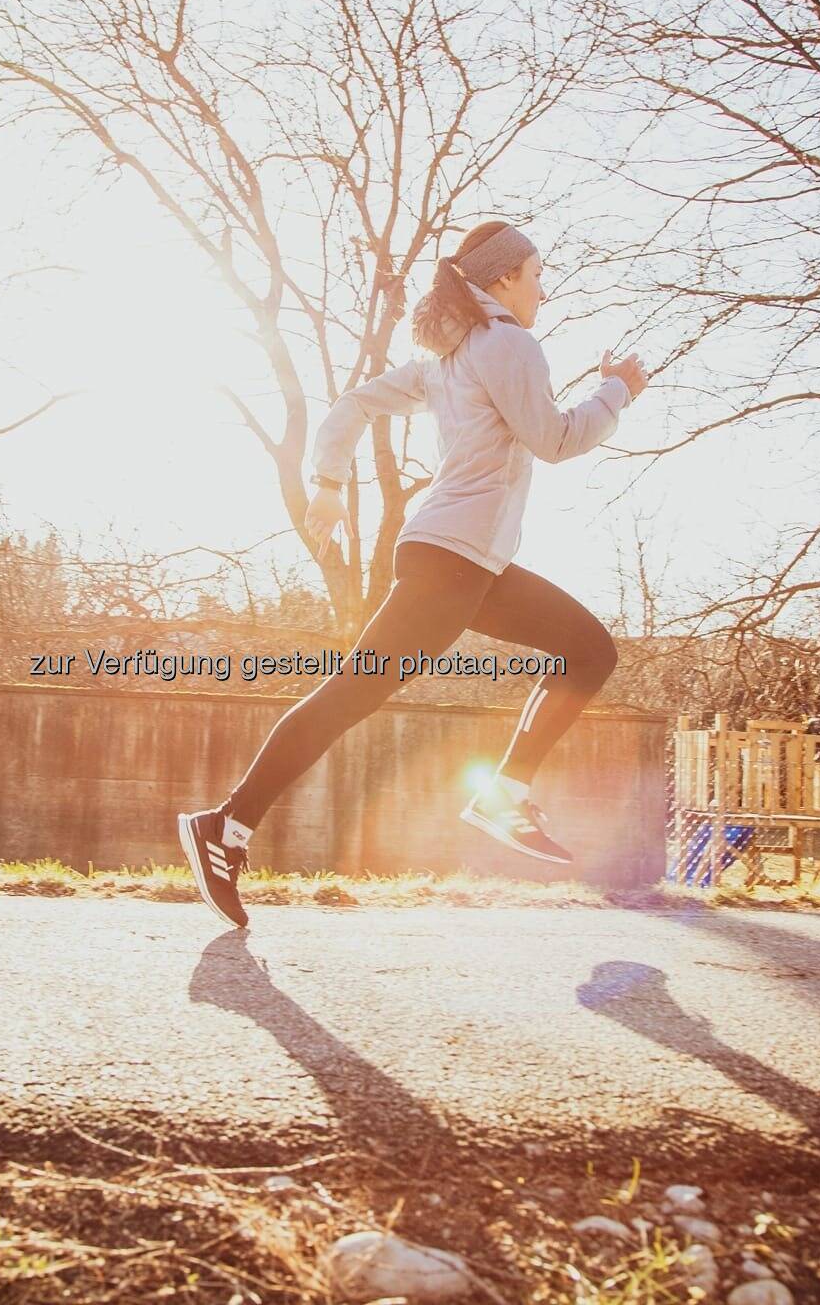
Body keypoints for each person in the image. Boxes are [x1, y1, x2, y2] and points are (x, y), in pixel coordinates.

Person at [178, 219, 648, 928]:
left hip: (466, 562)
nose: (543, 291)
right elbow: (554, 438)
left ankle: (504, 792)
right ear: (503, 281)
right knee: (350, 697)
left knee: (588, 650)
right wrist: (617, 391)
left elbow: (358, 401)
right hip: (453, 562)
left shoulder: (451, 358)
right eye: (537, 275)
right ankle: (226, 826)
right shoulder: (508, 343)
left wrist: (331, 480)